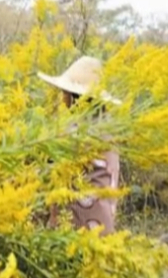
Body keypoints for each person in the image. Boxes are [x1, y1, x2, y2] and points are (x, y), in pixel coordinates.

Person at [37, 55, 121, 237]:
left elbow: (50, 174)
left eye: (65, 93)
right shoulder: (107, 128)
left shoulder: (78, 133)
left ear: (76, 98)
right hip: (103, 229)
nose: (62, 98)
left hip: (78, 231)